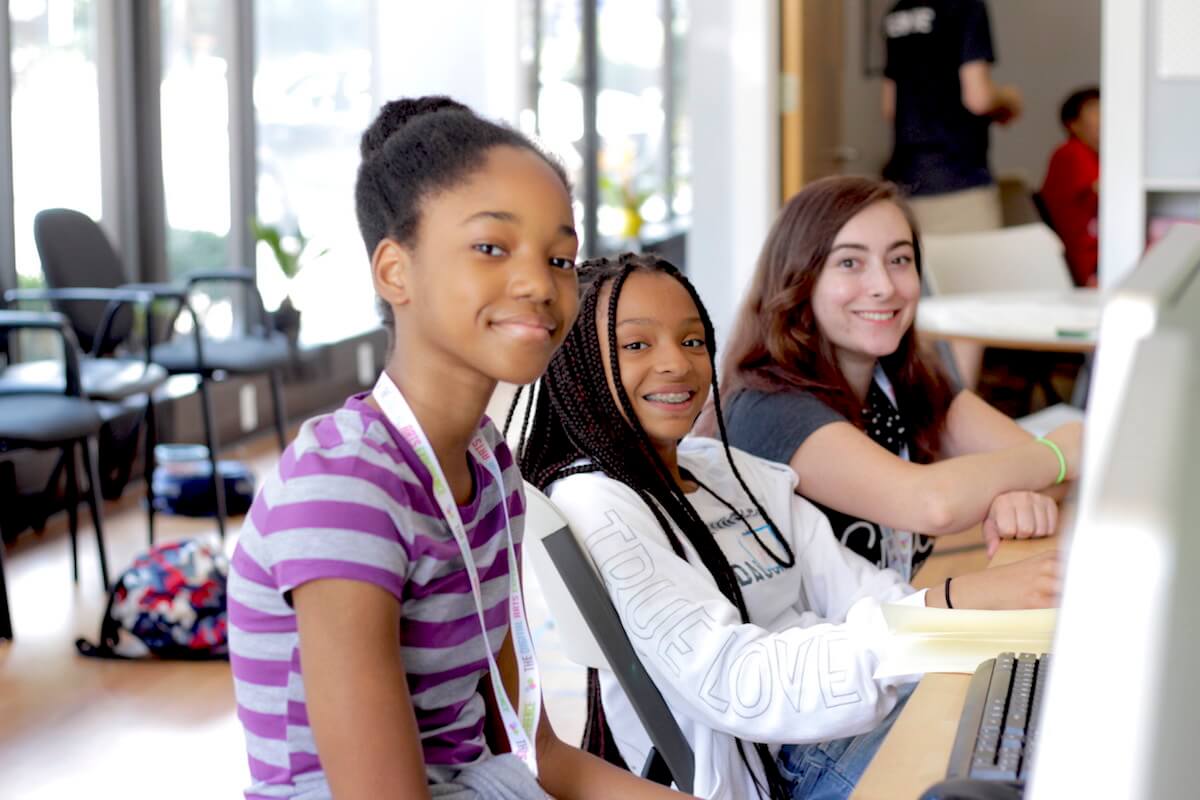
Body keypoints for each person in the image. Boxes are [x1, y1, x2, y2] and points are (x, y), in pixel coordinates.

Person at [227, 97, 688, 800]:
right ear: (394, 271)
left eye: (560, 257)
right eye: (491, 248)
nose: (540, 283)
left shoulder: (489, 469)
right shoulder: (344, 485)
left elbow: (535, 750)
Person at [515, 252, 943, 800]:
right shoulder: (598, 502)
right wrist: (931, 622)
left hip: (845, 716)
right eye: (637, 344)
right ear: (576, 368)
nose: (677, 363)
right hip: (783, 764)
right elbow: (738, 684)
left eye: (692, 341)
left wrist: (934, 624)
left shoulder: (729, 471)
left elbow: (864, 591)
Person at [718, 175, 1079, 608]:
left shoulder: (904, 378)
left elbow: (1052, 473)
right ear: (800, 278)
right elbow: (933, 503)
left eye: (900, 259)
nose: (884, 286)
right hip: (802, 665)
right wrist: (1057, 451)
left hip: (885, 644)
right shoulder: (768, 407)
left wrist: (1020, 490)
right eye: (850, 263)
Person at [881, 0, 1021, 235]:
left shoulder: (896, 12)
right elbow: (979, 98)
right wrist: (1009, 99)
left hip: (904, 179)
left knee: (920, 268)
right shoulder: (966, 5)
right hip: (958, 175)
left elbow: (889, 107)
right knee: (971, 270)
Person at [1040, 86, 1101, 287]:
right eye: (1095, 109)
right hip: (1088, 265)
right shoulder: (1072, 153)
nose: (1106, 115)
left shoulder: (1097, 157)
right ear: (1073, 124)